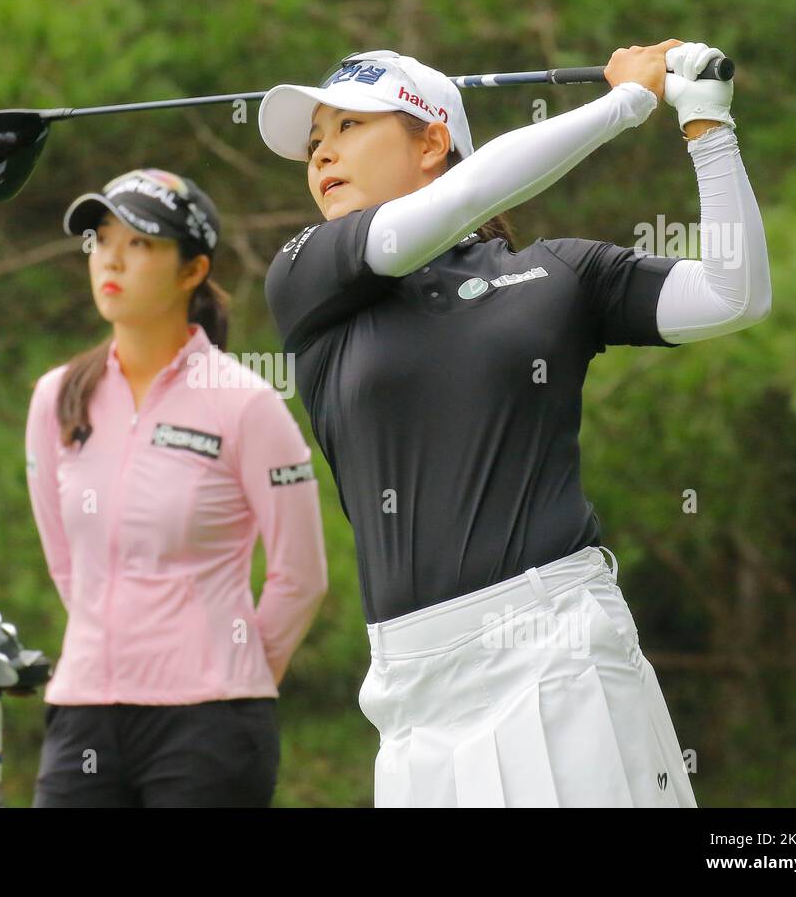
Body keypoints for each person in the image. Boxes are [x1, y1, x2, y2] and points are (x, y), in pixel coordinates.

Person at [258, 42, 770, 806]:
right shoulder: (308, 276)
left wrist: (705, 123)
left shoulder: (556, 276)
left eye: (350, 127)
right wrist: (625, 103)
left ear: (432, 142)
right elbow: (433, 218)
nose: (323, 152)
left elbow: (734, 294)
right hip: (409, 692)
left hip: (557, 646)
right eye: (314, 141)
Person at [24, 168, 328, 806]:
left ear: (191, 271)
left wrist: (238, 673)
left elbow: (301, 576)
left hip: (210, 719)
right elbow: (65, 560)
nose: (111, 258)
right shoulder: (57, 398)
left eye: (140, 243)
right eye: (102, 238)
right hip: (83, 709)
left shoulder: (245, 403)